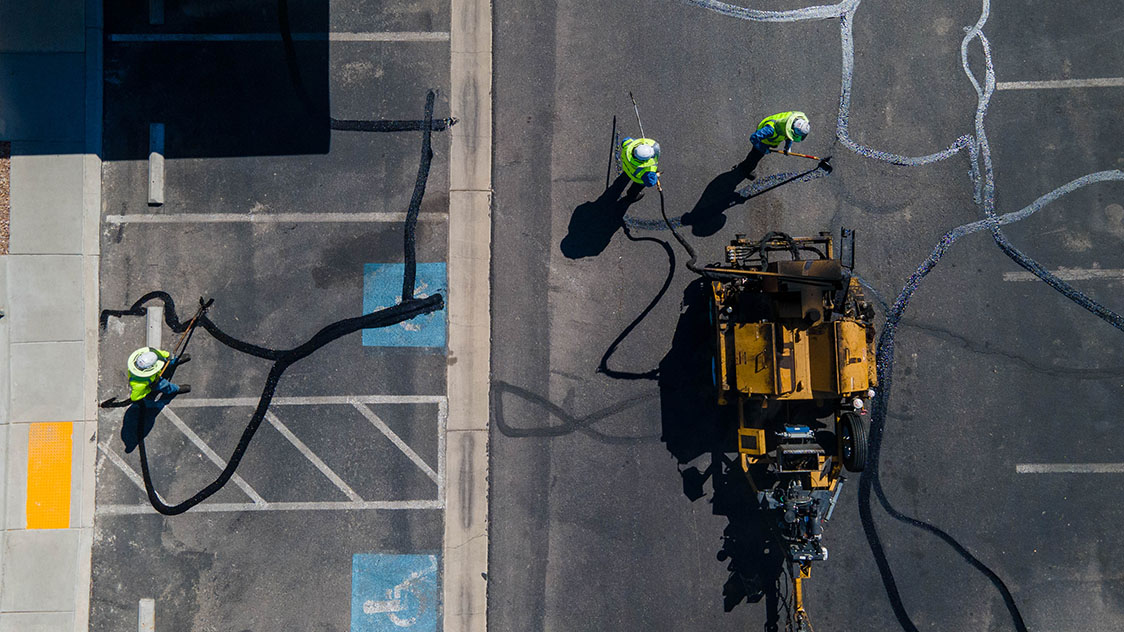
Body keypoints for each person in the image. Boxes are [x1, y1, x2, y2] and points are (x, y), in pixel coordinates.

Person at [743, 111, 811, 178]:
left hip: (771, 138)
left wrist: (787, 147)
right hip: (763, 141)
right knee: (755, 156)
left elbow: (789, 136)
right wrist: (763, 149)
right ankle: (746, 169)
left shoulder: (792, 120)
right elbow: (754, 138)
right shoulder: (770, 130)